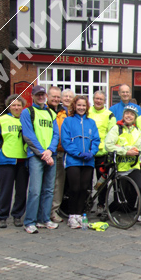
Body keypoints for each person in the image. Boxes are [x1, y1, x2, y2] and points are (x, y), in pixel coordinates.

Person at [20, 85, 60, 234]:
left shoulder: (50, 113)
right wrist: (43, 153)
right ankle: (30, 221)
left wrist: (50, 150)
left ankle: (44, 219)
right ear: (33, 96)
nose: (41, 97)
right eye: (38, 95)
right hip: (36, 156)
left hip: (50, 155)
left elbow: (56, 134)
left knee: (49, 190)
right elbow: (28, 135)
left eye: (43, 95)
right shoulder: (27, 112)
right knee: (35, 190)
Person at [104, 106, 141, 230]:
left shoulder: (137, 131)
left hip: (133, 166)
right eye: (127, 113)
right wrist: (125, 150)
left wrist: (120, 146)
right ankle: (107, 211)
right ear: (123, 115)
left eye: (132, 114)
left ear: (135, 118)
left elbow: (137, 149)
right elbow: (109, 145)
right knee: (121, 198)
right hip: (119, 167)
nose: (129, 116)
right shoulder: (116, 129)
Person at [61, 95, 100, 229]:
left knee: (84, 188)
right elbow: (65, 141)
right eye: (79, 105)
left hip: (88, 161)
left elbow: (96, 139)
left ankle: (80, 214)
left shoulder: (91, 122)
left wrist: (92, 152)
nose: (81, 108)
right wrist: (78, 153)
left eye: (84, 105)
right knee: (74, 188)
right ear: (74, 106)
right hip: (73, 160)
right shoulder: (68, 121)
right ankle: (72, 215)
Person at [0, 94, 29, 228]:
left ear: (23, 107)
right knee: (5, 190)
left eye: (19, 105)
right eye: (13, 105)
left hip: (23, 160)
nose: (16, 107)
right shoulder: (2, 120)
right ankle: (2, 216)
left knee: (21, 190)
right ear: (9, 106)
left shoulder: (26, 119)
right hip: (6, 160)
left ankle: (17, 215)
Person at [50, 89, 75, 223]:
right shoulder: (57, 112)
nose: (67, 98)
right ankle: (49, 210)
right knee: (52, 183)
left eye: (70, 97)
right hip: (54, 151)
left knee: (61, 183)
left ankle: (56, 209)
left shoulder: (72, 113)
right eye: (64, 96)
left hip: (68, 152)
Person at [90, 91, 116, 214]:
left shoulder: (109, 115)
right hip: (89, 153)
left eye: (101, 99)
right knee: (86, 181)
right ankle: (87, 202)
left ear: (104, 101)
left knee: (102, 182)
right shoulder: (87, 112)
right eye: (96, 98)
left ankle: (101, 204)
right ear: (93, 99)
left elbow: (112, 134)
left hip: (103, 154)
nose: (98, 101)